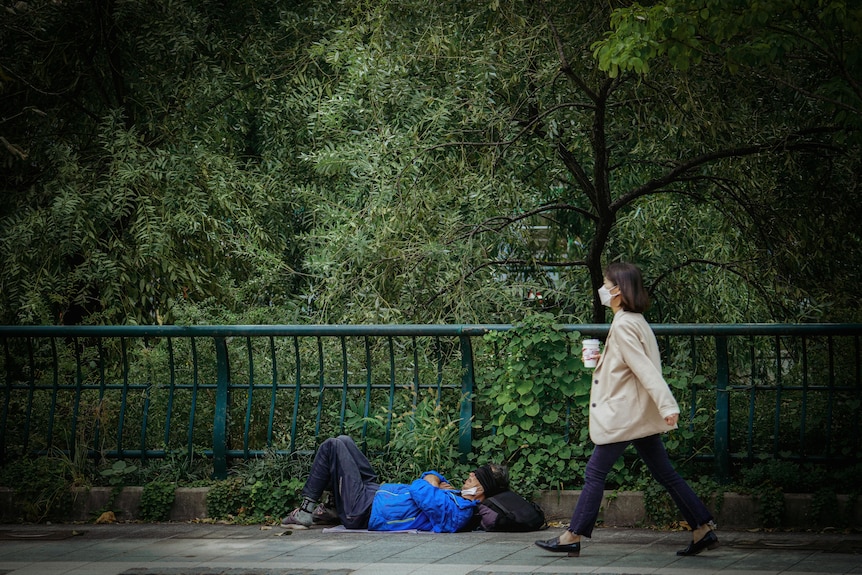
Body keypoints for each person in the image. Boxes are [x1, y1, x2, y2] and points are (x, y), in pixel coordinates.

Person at [535, 262, 718, 557]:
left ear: (618, 290)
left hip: (624, 417)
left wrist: (668, 404)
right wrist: (601, 363)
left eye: (606, 286)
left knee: (595, 473)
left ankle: (573, 535)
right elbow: (632, 368)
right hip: (635, 415)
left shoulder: (622, 325)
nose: (603, 291)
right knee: (665, 474)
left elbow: (645, 370)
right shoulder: (635, 320)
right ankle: (702, 528)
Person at [281, 435, 509, 532]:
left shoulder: (458, 512)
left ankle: (305, 510)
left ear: (480, 489)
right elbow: (431, 475)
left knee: (333, 446)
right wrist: (433, 481)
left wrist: (432, 483)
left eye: (476, 475)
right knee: (344, 441)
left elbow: (422, 488)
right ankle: (332, 507)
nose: (470, 473)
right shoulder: (457, 495)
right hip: (374, 493)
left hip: (364, 510)